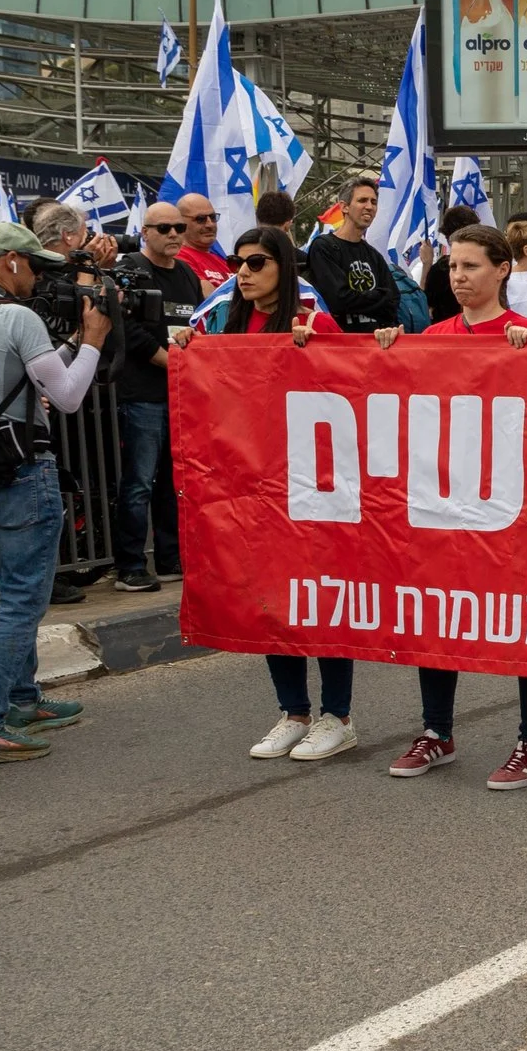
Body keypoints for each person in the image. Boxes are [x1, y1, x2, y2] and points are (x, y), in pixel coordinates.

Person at [368, 225, 527, 789]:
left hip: (514, 506)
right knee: (439, 609)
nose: (458, 277)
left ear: (502, 269)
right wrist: (386, 352)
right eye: (453, 267)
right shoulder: (433, 334)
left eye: (471, 267)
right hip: (450, 503)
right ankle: (437, 732)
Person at [167, 228, 358, 759]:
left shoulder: (313, 320)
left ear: (284, 268)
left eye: (256, 262)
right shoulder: (225, 323)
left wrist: (318, 353)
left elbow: (355, 384)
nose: (243, 272)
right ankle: (293, 711)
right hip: (255, 487)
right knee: (271, 600)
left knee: (319, 601)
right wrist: (187, 349)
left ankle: (337, 716)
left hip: (311, 486)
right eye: (237, 263)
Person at [0, 224, 110, 763]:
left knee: (9, 594)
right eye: (34, 265)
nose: (39, 275)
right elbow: (65, 396)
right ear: (11, 261)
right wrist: (93, 341)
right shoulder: (17, 316)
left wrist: (68, 345)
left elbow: (20, 378)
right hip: (23, 473)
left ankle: (22, 698)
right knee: (21, 602)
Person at [110, 203, 203, 592]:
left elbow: (197, 322)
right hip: (142, 394)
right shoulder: (129, 269)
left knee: (173, 481)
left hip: (179, 393)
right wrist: (172, 362)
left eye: (179, 227)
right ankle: (130, 565)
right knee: (138, 483)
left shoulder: (185, 273)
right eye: (164, 228)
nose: (174, 234)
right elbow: (127, 331)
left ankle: (168, 558)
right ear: (144, 231)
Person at [304, 173, 401, 334]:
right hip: (340, 346)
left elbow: (393, 301)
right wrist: (379, 296)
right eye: (362, 200)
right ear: (344, 206)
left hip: (375, 346)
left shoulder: (373, 255)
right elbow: (338, 300)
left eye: (373, 202)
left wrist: (358, 299)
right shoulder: (324, 247)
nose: (369, 206)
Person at [422, 204, 480, 320]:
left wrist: (426, 265)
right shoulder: (486, 264)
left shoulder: (441, 268)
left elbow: (424, 304)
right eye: (454, 267)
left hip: (446, 333)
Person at [176, 192, 229, 292]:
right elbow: (209, 300)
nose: (210, 225)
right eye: (200, 219)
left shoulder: (222, 261)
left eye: (213, 217)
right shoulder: (179, 259)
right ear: (181, 223)